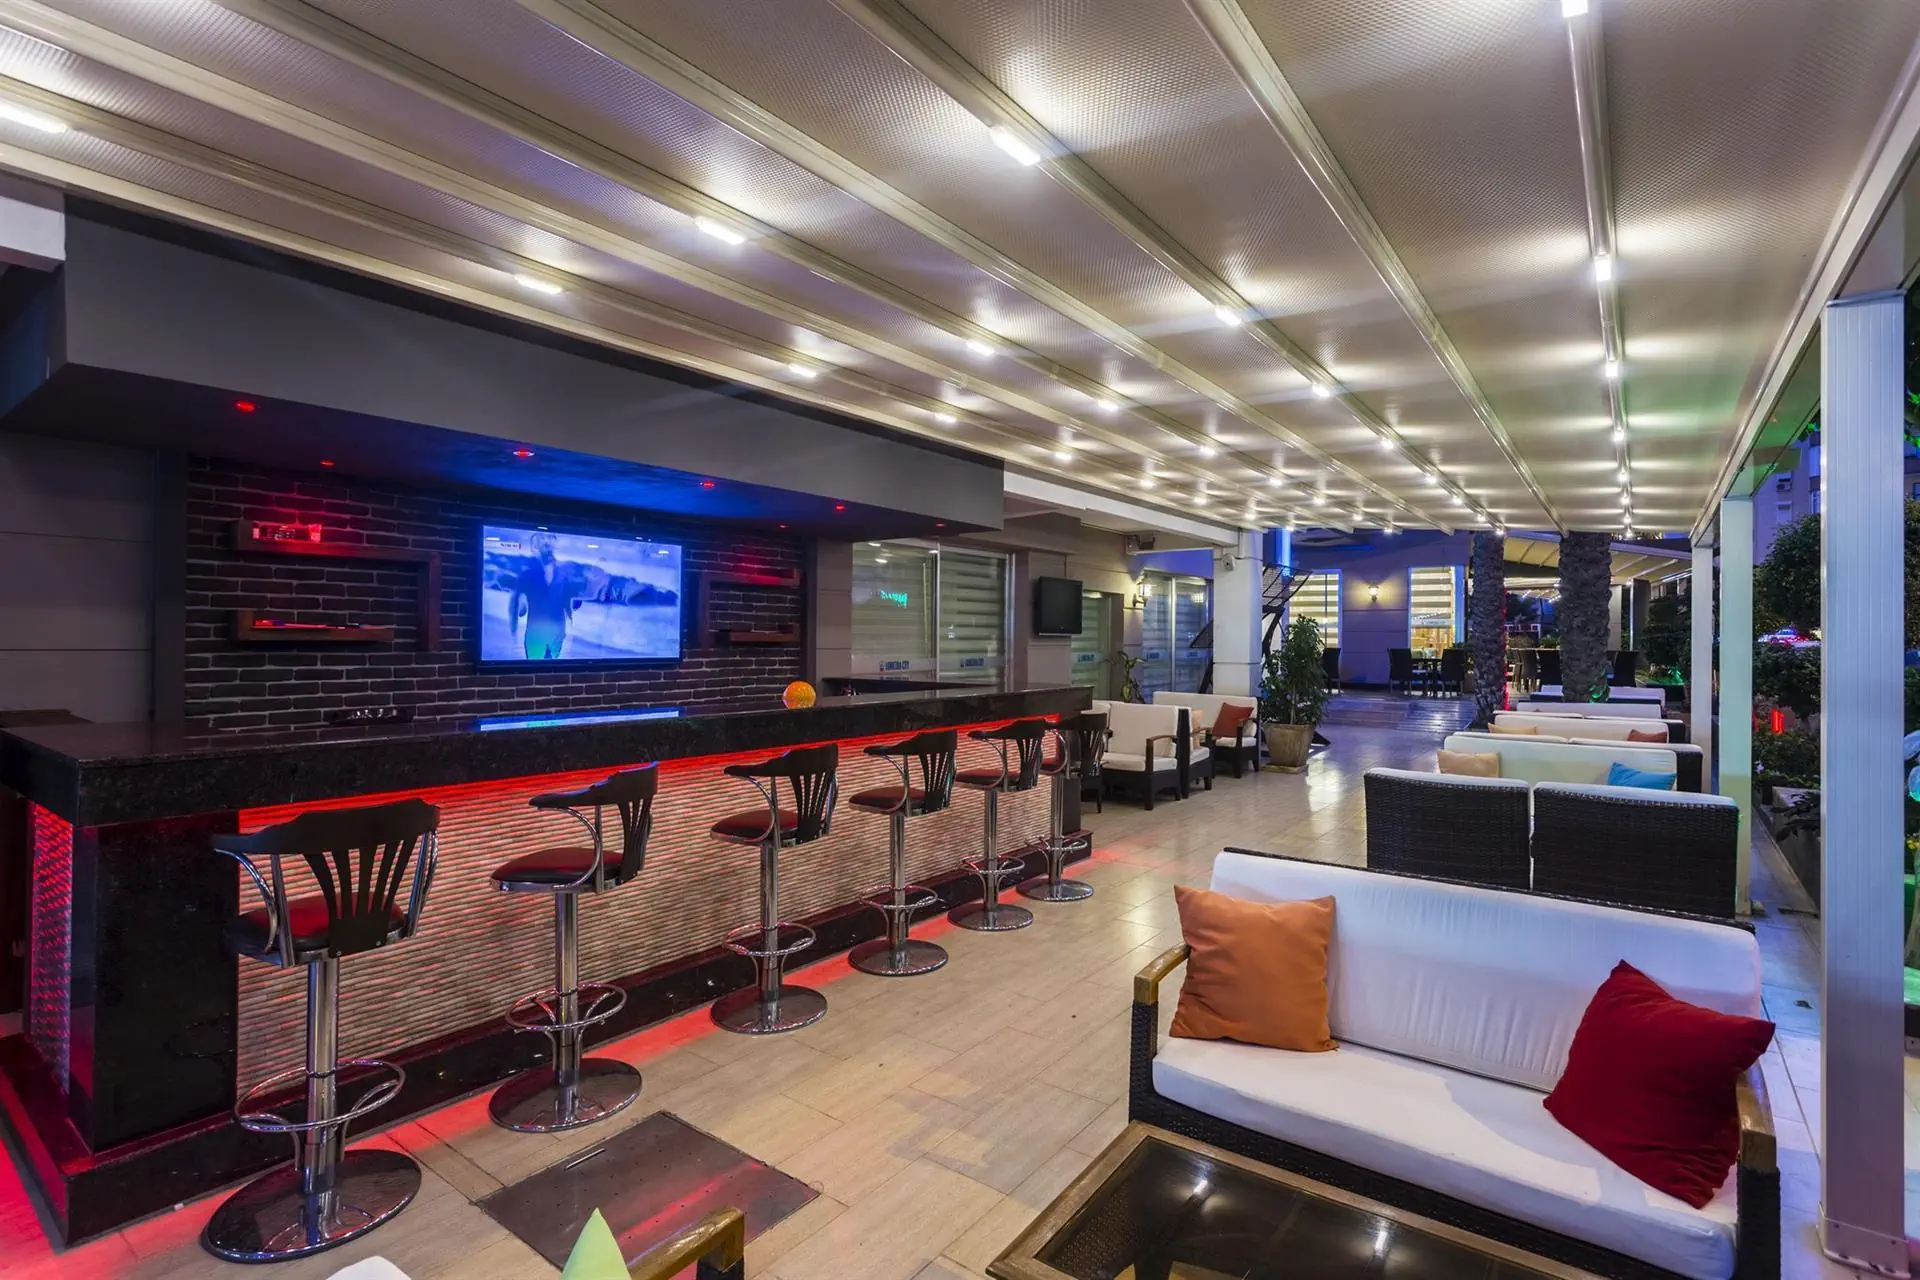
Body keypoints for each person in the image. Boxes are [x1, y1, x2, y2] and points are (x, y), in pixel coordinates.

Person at [508, 533, 588, 660]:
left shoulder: (563, 575)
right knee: (536, 668)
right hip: (535, 635)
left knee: (552, 668)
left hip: (556, 634)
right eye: (544, 543)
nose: (548, 546)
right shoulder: (528, 575)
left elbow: (569, 603)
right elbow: (516, 604)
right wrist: (513, 630)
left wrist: (570, 627)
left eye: (550, 542)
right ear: (535, 548)